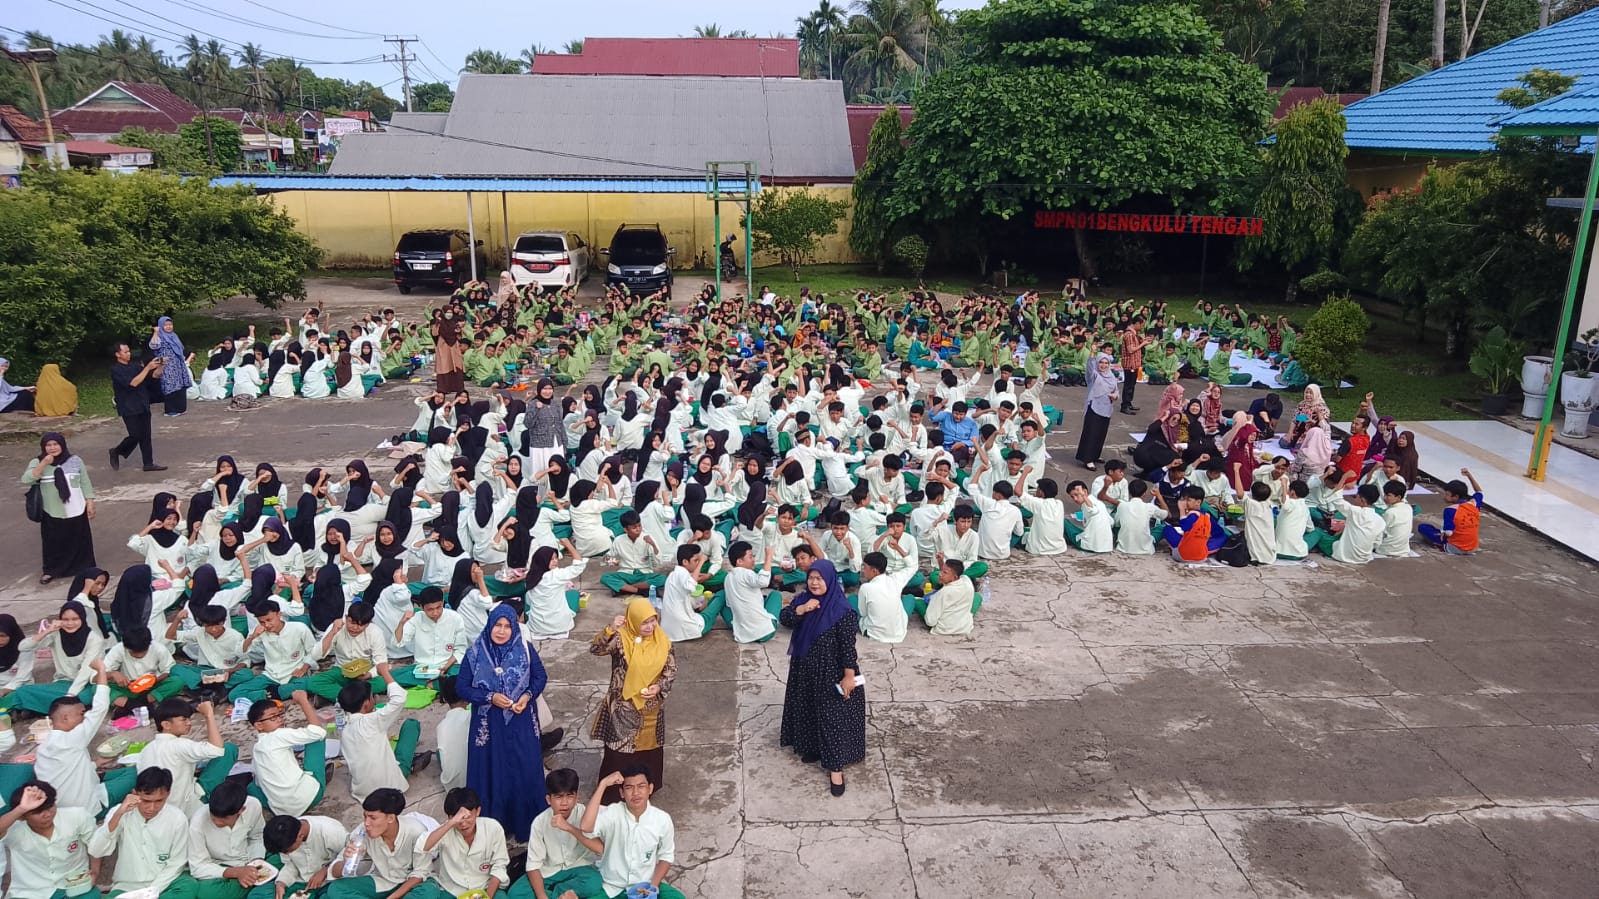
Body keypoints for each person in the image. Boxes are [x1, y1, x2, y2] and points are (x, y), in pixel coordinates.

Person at [456, 605, 548, 842]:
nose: (502, 631)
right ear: (490, 625)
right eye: (498, 625)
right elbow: (462, 687)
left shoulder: (525, 649)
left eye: (507, 626)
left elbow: (540, 677)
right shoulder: (475, 653)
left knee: (523, 766)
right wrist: (490, 697)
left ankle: (525, 823)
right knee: (492, 769)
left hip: (521, 719)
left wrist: (527, 696)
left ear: (514, 627)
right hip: (490, 724)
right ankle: (494, 827)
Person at [779, 561, 866, 796]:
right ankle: (814, 748)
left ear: (829, 580)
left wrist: (848, 676)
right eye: (811, 578)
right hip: (805, 669)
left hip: (832, 671)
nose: (814, 582)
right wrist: (802, 609)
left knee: (832, 719)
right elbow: (784, 618)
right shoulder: (804, 600)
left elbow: (848, 649)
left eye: (820, 578)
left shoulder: (842, 611)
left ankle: (835, 768)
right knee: (808, 709)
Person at [589, 599, 676, 806]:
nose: (650, 627)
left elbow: (670, 670)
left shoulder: (662, 641)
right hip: (622, 707)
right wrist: (610, 629)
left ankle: (645, 789)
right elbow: (596, 649)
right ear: (633, 621)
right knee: (620, 752)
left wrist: (659, 687)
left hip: (650, 709)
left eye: (653, 621)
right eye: (644, 622)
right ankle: (613, 793)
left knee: (649, 750)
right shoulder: (621, 639)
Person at [574, 767, 686, 899]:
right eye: (629, 788)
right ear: (622, 793)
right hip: (611, 886)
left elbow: (666, 856)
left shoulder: (662, 819)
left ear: (650, 789)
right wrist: (603, 784)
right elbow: (586, 827)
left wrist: (654, 885)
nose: (635, 793)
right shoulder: (612, 813)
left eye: (641, 786)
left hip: (645, 886)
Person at [88, 767, 191, 898]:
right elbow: (96, 850)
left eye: (159, 801)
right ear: (135, 793)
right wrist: (118, 814)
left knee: (188, 887)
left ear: (168, 794)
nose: (151, 808)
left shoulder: (177, 818)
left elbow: (177, 862)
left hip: (165, 884)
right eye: (146, 801)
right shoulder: (120, 812)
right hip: (128, 887)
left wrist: (151, 892)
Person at [325, 788, 442, 899]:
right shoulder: (362, 832)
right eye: (365, 817)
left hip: (413, 883)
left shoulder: (416, 831)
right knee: (337, 889)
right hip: (384, 882)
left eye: (373, 818)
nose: (366, 823)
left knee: (429, 891)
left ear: (390, 818)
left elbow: (421, 873)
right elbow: (335, 871)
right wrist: (346, 861)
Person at [338, 667, 430, 804]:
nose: (374, 700)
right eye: (372, 697)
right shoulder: (372, 720)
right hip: (390, 787)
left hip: (362, 791)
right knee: (411, 725)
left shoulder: (344, 729)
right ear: (366, 704)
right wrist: (384, 672)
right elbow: (399, 698)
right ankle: (408, 767)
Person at [510, 769, 603, 899]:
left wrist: (569, 828)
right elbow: (533, 865)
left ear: (577, 797)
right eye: (559, 797)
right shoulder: (540, 822)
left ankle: (558, 893)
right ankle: (564, 896)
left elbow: (600, 848)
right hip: (549, 871)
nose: (564, 803)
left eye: (570, 796)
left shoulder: (585, 815)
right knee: (517, 892)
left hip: (580, 868)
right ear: (549, 799)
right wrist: (542, 896)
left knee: (593, 882)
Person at [0, 602, 104, 715]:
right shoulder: (56, 634)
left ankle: (35, 708)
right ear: (60, 619)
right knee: (23, 691)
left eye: (75, 619)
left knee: (84, 697)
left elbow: (86, 671)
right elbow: (23, 647)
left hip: (85, 684)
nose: (70, 623)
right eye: (65, 619)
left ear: (83, 619)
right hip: (62, 683)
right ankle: (52, 708)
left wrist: (70, 695)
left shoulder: (94, 639)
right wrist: (48, 631)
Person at [20, 432, 96, 586]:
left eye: (55, 444)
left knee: (80, 539)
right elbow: (26, 479)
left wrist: (90, 501)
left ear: (62, 445)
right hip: (52, 510)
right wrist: (44, 464)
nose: (52, 448)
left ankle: (84, 568)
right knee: (53, 542)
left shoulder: (75, 460)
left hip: (76, 507)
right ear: (43, 447)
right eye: (48, 445)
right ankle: (51, 570)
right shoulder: (38, 461)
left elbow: (84, 482)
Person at [0, 781, 98, 899]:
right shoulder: (14, 828)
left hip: (75, 882)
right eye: (38, 812)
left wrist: (95, 872)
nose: (47, 814)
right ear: (22, 816)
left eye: (50, 807)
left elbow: (96, 845)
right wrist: (21, 808)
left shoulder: (77, 816)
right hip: (31, 891)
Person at [139, 698, 235, 817]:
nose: (189, 723)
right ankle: (210, 796)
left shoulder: (146, 749)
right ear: (166, 724)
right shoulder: (179, 745)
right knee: (229, 749)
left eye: (189, 719)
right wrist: (209, 715)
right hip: (187, 807)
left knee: (199, 760)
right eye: (183, 720)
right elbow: (217, 749)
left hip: (160, 807)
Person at [246, 689, 328, 816]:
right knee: (317, 739)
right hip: (310, 797)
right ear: (259, 726)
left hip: (283, 811)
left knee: (251, 787)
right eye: (273, 717)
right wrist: (303, 701)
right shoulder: (279, 734)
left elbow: (259, 782)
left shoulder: (257, 749)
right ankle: (318, 776)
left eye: (279, 715)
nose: (279, 719)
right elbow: (318, 731)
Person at [419, 788, 509, 899]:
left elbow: (499, 865)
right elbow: (423, 847)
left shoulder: (493, 828)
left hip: (485, 887)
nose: (463, 824)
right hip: (452, 889)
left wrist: (487, 896)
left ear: (478, 811)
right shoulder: (445, 831)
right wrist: (451, 823)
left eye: (467, 817)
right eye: (457, 819)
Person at [187, 781, 269, 899]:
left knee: (282, 856)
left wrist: (256, 863)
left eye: (224, 818)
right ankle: (255, 889)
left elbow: (257, 836)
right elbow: (197, 867)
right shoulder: (198, 822)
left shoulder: (254, 806)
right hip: (220, 868)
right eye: (213, 816)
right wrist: (236, 872)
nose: (217, 822)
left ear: (241, 810)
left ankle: (253, 887)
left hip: (248, 859)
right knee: (207, 893)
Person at [109, 341, 168, 472]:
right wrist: (147, 367)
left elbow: (152, 376)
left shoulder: (135, 367)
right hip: (128, 406)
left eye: (129, 351)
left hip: (142, 404)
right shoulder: (116, 370)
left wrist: (160, 366)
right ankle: (116, 451)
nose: (128, 354)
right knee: (135, 435)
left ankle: (148, 463)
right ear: (118, 354)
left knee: (146, 435)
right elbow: (133, 383)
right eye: (125, 352)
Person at [261, 813, 346, 899]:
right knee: (260, 894)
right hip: (302, 881)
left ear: (300, 836)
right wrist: (282, 883)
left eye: (288, 851)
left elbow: (350, 858)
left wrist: (326, 870)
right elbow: (291, 864)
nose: (286, 854)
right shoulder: (287, 837)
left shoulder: (330, 831)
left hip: (331, 881)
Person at [1419, 468, 1483, 555]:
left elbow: (1449, 532)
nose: (1444, 497)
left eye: (1447, 494)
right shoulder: (1474, 504)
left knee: (1423, 528)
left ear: (1456, 497)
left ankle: (1439, 545)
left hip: (1454, 547)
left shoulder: (1450, 510)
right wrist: (1469, 476)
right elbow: (1479, 491)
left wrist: (1442, 533)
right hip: (1473, 547)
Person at [1075, 354, 1118, 471]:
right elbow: (1089, 369)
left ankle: (1095, 455)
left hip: (1106, 409)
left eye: (1106, 363)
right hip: (1094, 408)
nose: (1103, 365)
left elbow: (1116, 391)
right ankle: (1087, 459)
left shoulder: (1111, 376)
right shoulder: (1094, 376)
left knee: (1101, 434)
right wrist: (1092, 357)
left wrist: (1115, 396)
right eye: (1101, 363)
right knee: (1091, 434)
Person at [854, 552, 908, 644]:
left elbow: (863, 613)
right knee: (908, 600)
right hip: (898, 632)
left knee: (852, 599)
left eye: (865, 568)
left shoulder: (866, 587)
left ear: (874, 571)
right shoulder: (893, 581)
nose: (863, 571)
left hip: (874, 633)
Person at [150, 316, 195, 416]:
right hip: (167, 365)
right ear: (161, 326)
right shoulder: (160, 336)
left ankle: (181, 408)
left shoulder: (174, 335)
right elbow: (154, 345)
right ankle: (171, 410)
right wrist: (156, 332)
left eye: (170, 324)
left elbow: (180, 348)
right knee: (170, 385)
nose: (169, 327)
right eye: (166, 325)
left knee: (180, 386)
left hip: (178, 364)